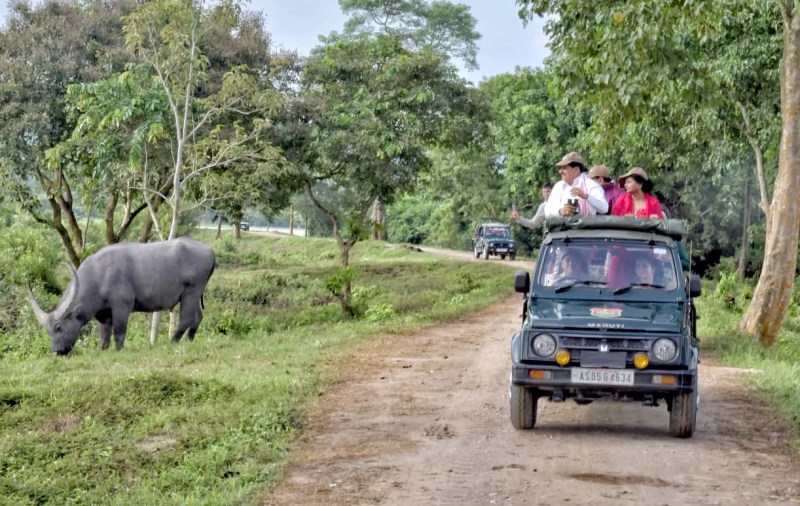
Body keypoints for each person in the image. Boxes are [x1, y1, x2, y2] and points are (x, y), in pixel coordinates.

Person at [544, 152, 608, 217]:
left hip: (584, 226)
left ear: (576, 169)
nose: (560, 172)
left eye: (564, 168)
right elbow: (547, 210)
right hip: (562, 226)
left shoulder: (590, 185)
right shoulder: (559, 186)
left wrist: (586, 196)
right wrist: (561, 211)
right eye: (560, 168)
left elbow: (604, 208)